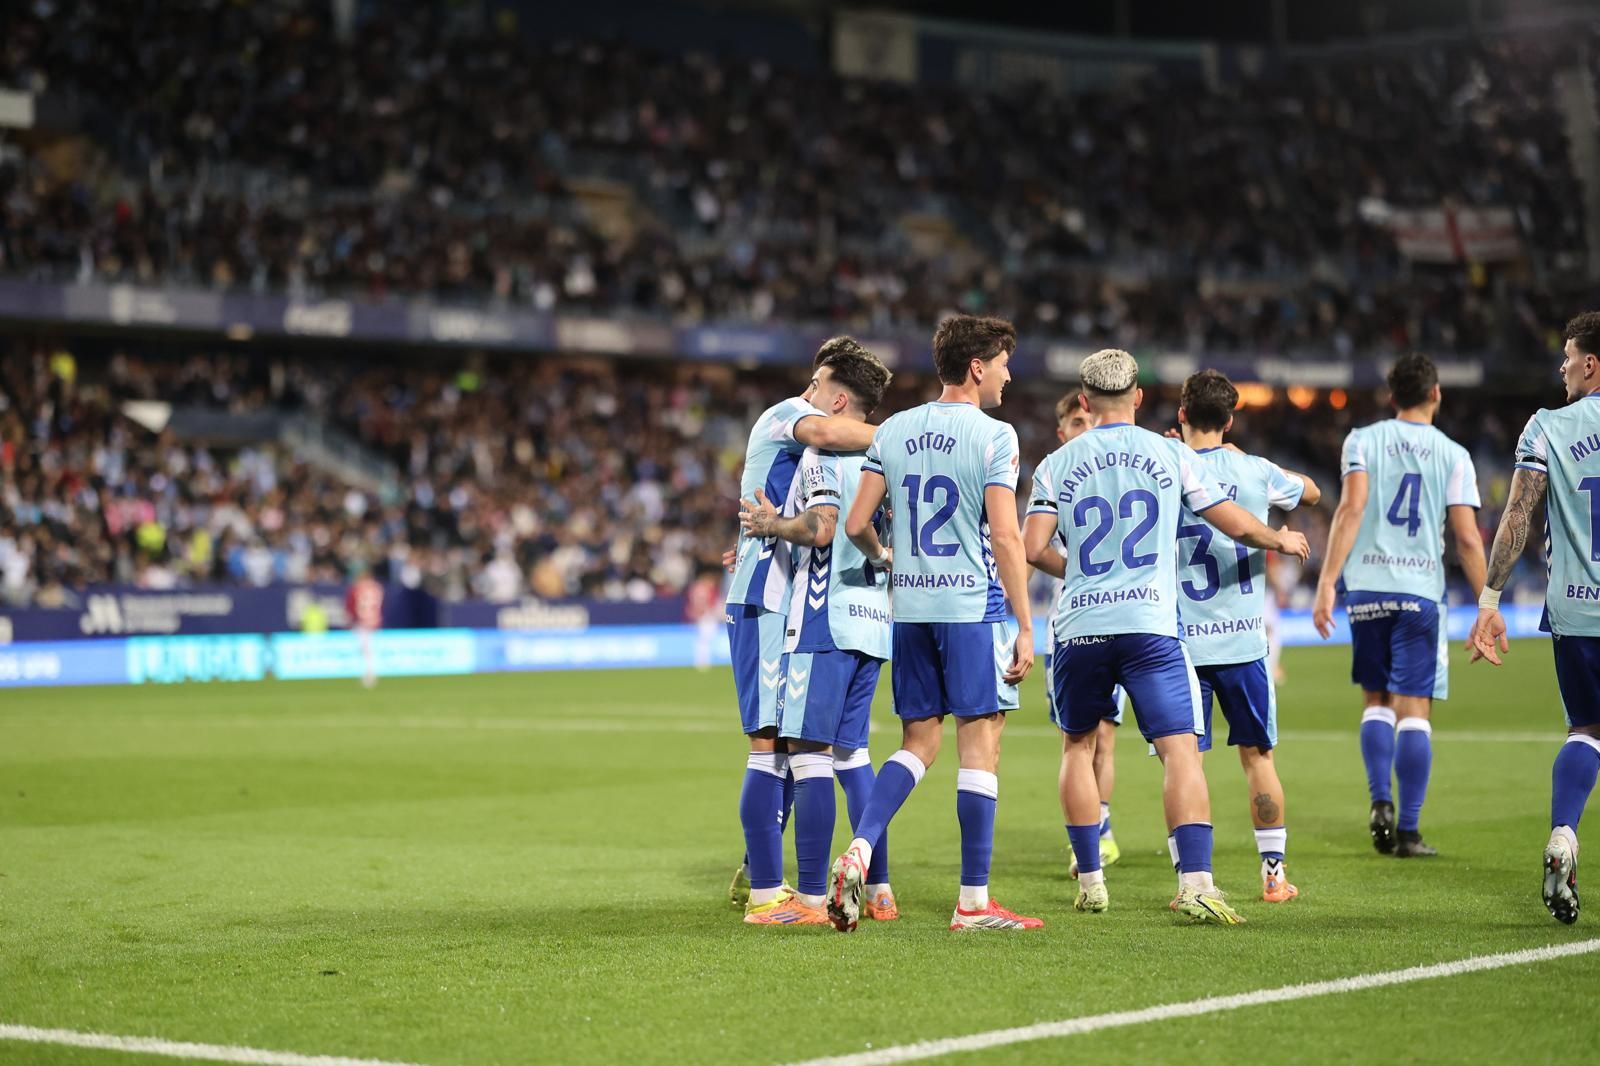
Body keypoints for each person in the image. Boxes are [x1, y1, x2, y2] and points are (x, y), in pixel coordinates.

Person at [1023, 349, 1310, 923]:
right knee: (1183, 752)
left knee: (1078, 748)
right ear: (1138, 398)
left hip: (1081, 625)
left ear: (1083, 402)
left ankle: (1092, 882)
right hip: (1152, 626)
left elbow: (1033, 549)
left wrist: (1079, 574)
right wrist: (1276, 540)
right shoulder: (1169, 453)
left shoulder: (1057, 463)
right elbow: (1227, 517)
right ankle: (1197, 883)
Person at [825, 314, 1040, 933]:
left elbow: (857, 522)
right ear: (977, 367)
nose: (1007, 372)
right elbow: (1005, 535)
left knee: (917, 744)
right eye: (1002, 361)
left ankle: (860, 849)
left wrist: (888, 559)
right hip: (971, 608)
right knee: (981, 743)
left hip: (910, 611)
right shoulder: (996, 436)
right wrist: (1026, 625)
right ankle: (973, 903)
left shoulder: (892, 429)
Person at [738, 343, 896, 925]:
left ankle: (774, 890)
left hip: (791, 599)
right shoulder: (790, 422)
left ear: (835, 399)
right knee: (832, 752)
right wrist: (913, 438)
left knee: (781, 748)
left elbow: (823, 522)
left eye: (815, 383)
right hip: (803, 600)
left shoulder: (820, 447)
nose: (803, 391)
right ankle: (869, 886)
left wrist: (774, 527)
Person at [1313, 354, 1487, 858]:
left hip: (1366, 587)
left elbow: (1350, 508)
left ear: (1392, 398)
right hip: (1419, 592)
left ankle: (1379, 802)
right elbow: (1467, 540)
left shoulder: (1362, 439)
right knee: (1415, 710)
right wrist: (1486, 603)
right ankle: (1408, 830)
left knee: (1376, 702)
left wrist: (1328, 581)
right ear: (1436, 394)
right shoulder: (1453, 454)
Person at [1469, 312, 1600, 924]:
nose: (1561, 367)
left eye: (1568, 357)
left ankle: (1564, 837)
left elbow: (1518, 515)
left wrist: (1490, 601)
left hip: (1576, 611)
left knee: (1586, 731)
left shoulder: (1547, 427)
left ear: (1590, 364)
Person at [1173, 370, 1321, 903]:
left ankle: (1192, 881)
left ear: (1182, 415)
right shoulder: (1256, 470)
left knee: (1183, 761)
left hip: (1181, 646)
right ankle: (1274, 877)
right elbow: (1311, 490)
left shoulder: (1168, 465)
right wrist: (1261, 470)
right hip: (1242, 645)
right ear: (1230, 420)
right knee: (1259, 759)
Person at [1042, 393, 1124, 878]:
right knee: (1078, 742)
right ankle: (1084, 837)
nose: (1085, 428)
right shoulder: (1053, 478)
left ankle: (1100, 831)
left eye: (1090, 420)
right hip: (1068, 625)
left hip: (1115, 622)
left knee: (1105, 740)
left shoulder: (1114, 478)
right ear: (1062, 430)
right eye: (1076, 421)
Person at [346, 561, 384, 689]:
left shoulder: (357, 588)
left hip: (361, 621)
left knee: (364, 650)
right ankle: (369, 674)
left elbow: (350, 605)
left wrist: (351, 619)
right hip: (374, 620)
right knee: (369, 649)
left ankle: (367, 675)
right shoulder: (377, 587)